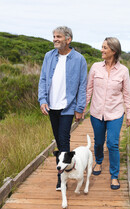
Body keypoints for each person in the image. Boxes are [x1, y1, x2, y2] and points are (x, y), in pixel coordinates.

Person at [38, 26, 87, 191]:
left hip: (67, 107)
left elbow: (82, 86)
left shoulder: (79, 59)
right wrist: (42, 100)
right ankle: (67, 169)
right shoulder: (48, 56)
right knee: (59, 140)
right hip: (52, 106)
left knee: (64, 139)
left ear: (68, 39)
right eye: (53, 36)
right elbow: (43, 79)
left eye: (58, 36)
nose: (55, 39)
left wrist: (80, 108)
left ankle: (62, 178)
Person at [83, 37, 130, 190]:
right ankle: (98, 161)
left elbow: (127, 94)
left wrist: (129, 114)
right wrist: (82, 108)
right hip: (97, 112)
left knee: (112, 143)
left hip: (116, 113)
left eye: (105, 48)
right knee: (98, 142)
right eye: (102, 47)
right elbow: (89, 89)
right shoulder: (95, 67)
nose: (101, 50)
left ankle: (114, 176)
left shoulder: (123, 71)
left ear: (113, 51)